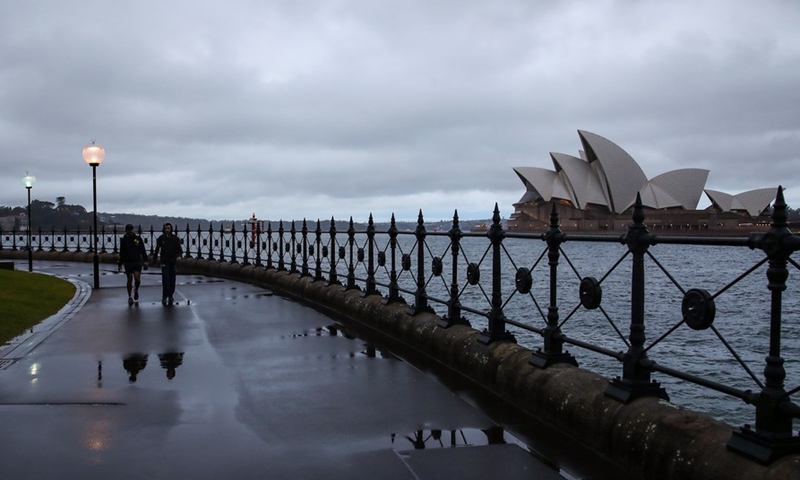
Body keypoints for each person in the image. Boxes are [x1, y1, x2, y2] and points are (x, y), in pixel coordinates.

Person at [117, 224, 148, 305]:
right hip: (128, 262)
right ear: (126, 230)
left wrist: (146, 261)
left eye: (131, 229)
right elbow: (122, 253)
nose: (129, 231)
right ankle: (130, 296)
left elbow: (143, 250)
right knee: (129, 279)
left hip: (137, 261)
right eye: (128, 229)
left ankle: (136, 289)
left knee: (137, 279)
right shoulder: (123, 240)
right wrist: (120, 263)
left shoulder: (138, 239)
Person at [153, 222, 183, 305]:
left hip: (172, 262)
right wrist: (154, 261)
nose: (167, 230)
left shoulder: (175, 239)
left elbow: (179, 250)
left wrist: (179, 256)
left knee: (172, 280)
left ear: (171, 229)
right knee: (165, 280)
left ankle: (170, 296)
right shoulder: (161, 238)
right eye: (165, 228)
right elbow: (156, 250)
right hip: (164, 262)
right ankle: (164, 296)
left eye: (168, 228)